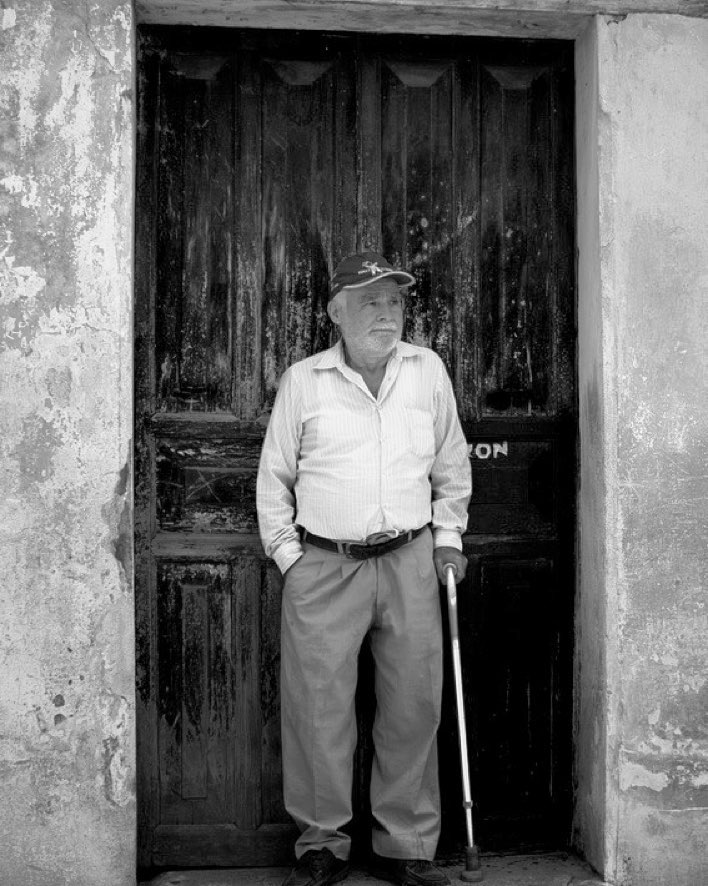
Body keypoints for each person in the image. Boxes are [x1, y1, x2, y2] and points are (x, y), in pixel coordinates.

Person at [256, 251, 472, 886]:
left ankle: (405, 845)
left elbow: (451, 464)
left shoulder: (427, 370)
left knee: (412, 704)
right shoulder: (305, 380)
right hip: (325, 563)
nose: (387, 313)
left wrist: (447, 536)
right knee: (318, 708)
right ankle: (322, 842)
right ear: (337, 312)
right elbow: (275, 479)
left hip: (409, 558)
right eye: (371, 301)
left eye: (396, 302)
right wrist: (291, 560)